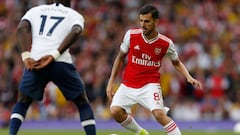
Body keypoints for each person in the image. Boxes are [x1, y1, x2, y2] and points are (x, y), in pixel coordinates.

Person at [106, 4, 203, 135]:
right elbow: (120, 57)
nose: (142, 24)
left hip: (149, 85)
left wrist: (188, 76)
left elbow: (177, 62)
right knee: (115, 111)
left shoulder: (166, 43)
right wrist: (111, 82)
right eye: (141, 20)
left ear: (156, 22)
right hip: (128, 83)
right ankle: (140, 132)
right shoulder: (131, 35)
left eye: (147, 21)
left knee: (159, 115)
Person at [9, 0, 96, 135]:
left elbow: (21, 28)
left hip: (36, 60)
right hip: (60, 62)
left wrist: (26, 57)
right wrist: (54, 55)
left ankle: (11, 134)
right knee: (82, 102)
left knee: (23, 101)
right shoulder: (74, 14)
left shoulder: (35, 10)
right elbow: (77, 30)